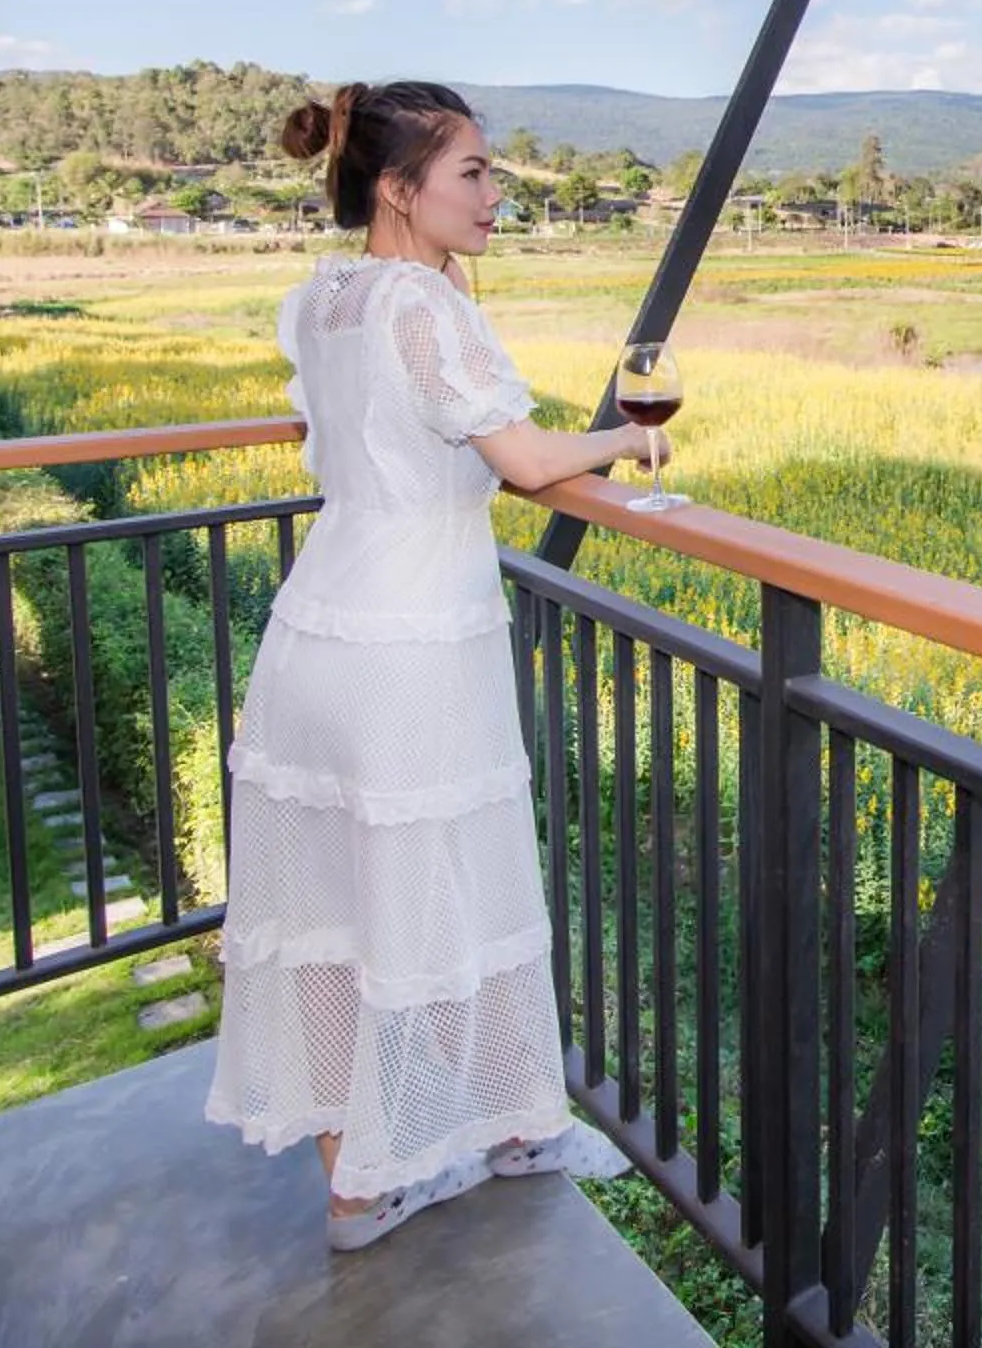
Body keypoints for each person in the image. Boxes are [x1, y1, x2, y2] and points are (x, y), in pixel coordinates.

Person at [204, 80, 668, 1252]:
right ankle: (513, 1128)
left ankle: (357, 1182)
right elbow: (519, 459)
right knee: (454, 885)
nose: (495, 194)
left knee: (331, 908)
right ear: (401, 188)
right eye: (473, 171)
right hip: (415, 644)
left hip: (316, 633)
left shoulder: (322, 300)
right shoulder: (422, 301)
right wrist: (624, 433)